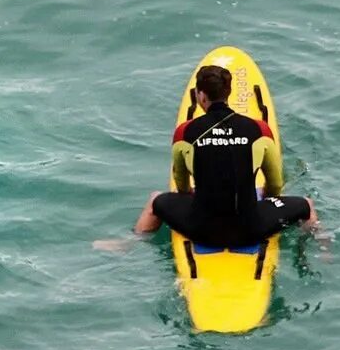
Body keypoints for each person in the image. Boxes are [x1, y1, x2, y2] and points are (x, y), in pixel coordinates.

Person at [127, 64, 318, 249]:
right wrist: (268, 202)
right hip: (251, 229)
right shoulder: (259, 130)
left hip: (201, 230)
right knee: (306, 205)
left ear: (200, 95)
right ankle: (323, 248)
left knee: (155, 200)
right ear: (228, 93)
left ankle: (129, 244)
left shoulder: (185, 133)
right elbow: (275, 184)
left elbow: (182, 185)